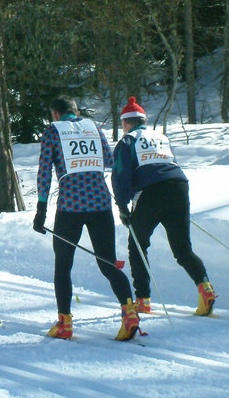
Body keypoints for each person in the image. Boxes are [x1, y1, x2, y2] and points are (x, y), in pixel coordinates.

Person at [32, 95, 140, 341]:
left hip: (70, 206)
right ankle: (130, 312)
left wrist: (41, 210)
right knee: (107, 263)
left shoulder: (53, 131)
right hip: (100, 203)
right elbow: (110, 161)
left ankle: (65, 323)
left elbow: (44, 172)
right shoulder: (94, 128)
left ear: (56, 114)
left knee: (63, 265)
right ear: (77, 111)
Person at [111, 96, 216, 316]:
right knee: (182, 249)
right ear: (144, 121)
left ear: (125, 122)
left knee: (137, 245)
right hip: (179, 187)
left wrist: (122, 206)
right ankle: (205, 287)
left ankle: (143, 299)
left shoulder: (128, 141)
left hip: (151, 192)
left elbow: (120, 174)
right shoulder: (161, 137)